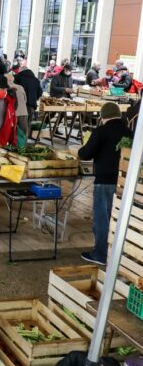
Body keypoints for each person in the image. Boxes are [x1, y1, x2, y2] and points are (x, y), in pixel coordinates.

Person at [77, 102, 128, 265]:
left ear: (103, 117)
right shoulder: (130, 132)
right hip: (124, 182)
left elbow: (85, 154)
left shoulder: (101, 131)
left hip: (105, 180)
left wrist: (80, 150)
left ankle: (100, 254)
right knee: (119, 218)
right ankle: (119, 254)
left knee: (102, 218)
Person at [7, 71, 29, 144]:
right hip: (23, 112)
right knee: (23, 132)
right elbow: (25, 100)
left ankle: (13, 148)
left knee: (12, 133)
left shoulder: (6, 89)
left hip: (13, 114)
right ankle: (22, 147)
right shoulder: (20, 87)